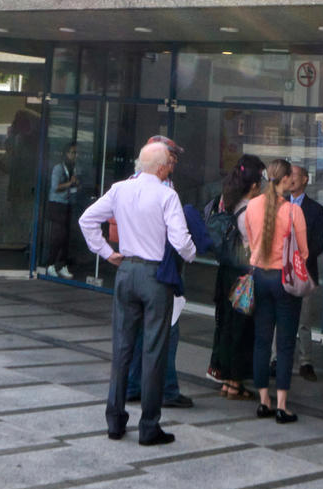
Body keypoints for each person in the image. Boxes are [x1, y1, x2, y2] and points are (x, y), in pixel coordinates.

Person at [81, 138, 195, 445]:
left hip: (126, 270)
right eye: (170, 163)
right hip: (154, 274)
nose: (172, 167)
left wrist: (106, 252)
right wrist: (192, 253)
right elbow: (181, 240)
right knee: (153, 351)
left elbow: (87, 219)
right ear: (160, 168)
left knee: (122, 349)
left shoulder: (120, 189)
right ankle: (149, 426)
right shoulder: (167, 194)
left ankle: (115, 421)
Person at [243, 161, 308, 423]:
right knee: (285, 342)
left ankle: (263, 400)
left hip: (259, 276)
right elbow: (302, 251)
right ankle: (282, 403)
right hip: (284, 279)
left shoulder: (252, 205)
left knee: (261, 340)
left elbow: (249, 240)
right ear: (287, 180)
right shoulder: (293, 211)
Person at [205, 159, 260, 398]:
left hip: (225, 273)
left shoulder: (225, 201)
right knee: (242, 328)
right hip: (244, 276)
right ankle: (235, 382)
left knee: (226, 325)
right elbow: (255, 244)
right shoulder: (250, 209)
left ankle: (225, 377)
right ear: (254, 186)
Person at [290, 163, 323, 381]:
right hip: (281, 271)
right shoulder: (280, 204)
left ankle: (306, 361)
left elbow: (319, 243)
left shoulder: (315, 209)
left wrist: (300, 255)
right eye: (289, 175)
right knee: (280, 317)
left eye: (295, 175)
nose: (291, 179)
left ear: (305, 179)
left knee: (304, 318)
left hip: (304, 271)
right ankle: (277, 359)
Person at [44, 142, 87, 278]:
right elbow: (55, 187)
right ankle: (50, 264)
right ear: (66, 154)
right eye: (73, 152)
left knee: (66, 236)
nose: (75, 155)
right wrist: (70, 183)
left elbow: (74, 186)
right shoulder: (58, 168)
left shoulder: (74, 168)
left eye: (76, 153)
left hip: (68, 203)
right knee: (58, 235)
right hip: (57, 204)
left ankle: (62, 265)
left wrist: (76, 185)